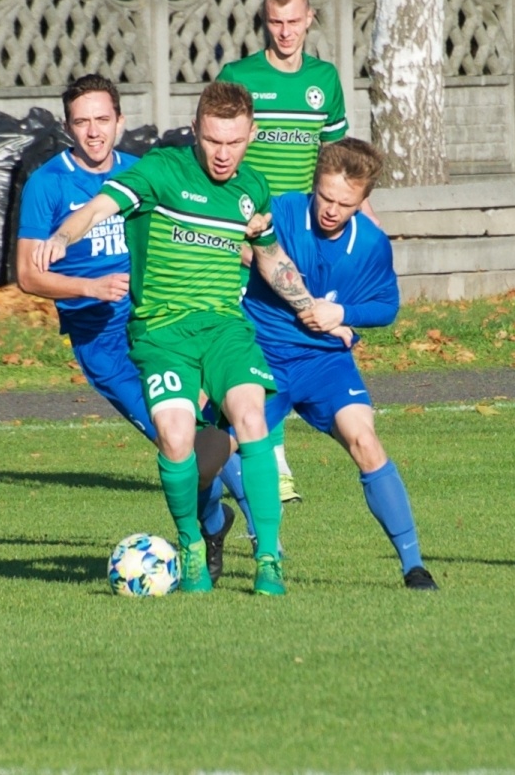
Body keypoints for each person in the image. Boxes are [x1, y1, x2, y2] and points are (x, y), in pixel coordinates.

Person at [32, 80, 322, 596]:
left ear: (252, 134)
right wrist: (62, 236)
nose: (223, 154)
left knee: (251, 419)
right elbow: (99, 207)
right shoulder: (161, 171)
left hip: (225, 329)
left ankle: (269, 558)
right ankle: (191, 543)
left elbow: (270, 257)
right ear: (196, 131)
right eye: (213, 141)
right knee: (175, 437)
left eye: (234, 142)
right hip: (162, 333)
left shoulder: (253, 188)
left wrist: (309, 308)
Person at [15, 75, 255, 580]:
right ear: (68, 127)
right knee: (181, 441)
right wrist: (91, 288)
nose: (94, 132)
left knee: (209, 427)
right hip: (102, 340)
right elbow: (28, 274)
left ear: (120, 122)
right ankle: (214, 523)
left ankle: (258, 533)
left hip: (162, 321)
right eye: (82, 122)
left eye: (103, 120)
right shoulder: (47, 184)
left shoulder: (143, 173)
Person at [242, 138, 437, 590]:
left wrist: (343, 315)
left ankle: (413, 565)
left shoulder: (371, 244)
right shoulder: (281, 212)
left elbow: (386, 306)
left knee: (364, 439)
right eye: (326, 197)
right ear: (314, 184)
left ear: (363, 199)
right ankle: (255, 536)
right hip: (262, 352)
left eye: (345, 203)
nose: (331, 209)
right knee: (224, 450)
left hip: (325, 362)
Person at [217, 0, 353, 503]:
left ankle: (254, 451)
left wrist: (363, 223)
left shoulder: (324, 80)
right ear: (264, 23)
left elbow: (339, 166)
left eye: (294, 21)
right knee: (254, 344)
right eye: (276, 22)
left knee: (297, 341)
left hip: (303, 235)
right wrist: (237, 230)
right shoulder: (240, 77)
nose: (285, 32)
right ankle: (269, 460)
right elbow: (218, 157)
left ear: (309, 18)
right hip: (249, 231)